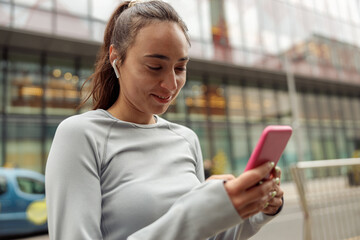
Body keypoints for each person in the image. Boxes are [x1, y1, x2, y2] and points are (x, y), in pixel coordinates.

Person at [45, 0, 284, 239]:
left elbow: (204, 234)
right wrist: (198, 213)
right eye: (154, 66)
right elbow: (192, 223)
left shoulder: (186, 139)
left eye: (180, 68)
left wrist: (253, 211)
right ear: (116, 58)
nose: (171, 85)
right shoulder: (81, 135)